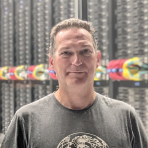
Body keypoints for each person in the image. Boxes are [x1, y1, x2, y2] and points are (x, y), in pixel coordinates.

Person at [1, 18, 148, 148]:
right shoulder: (26, 119)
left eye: (85, 51)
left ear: (97, 59)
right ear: (51, 62)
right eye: (66, 53)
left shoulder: (126, 116)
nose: (77, 61)